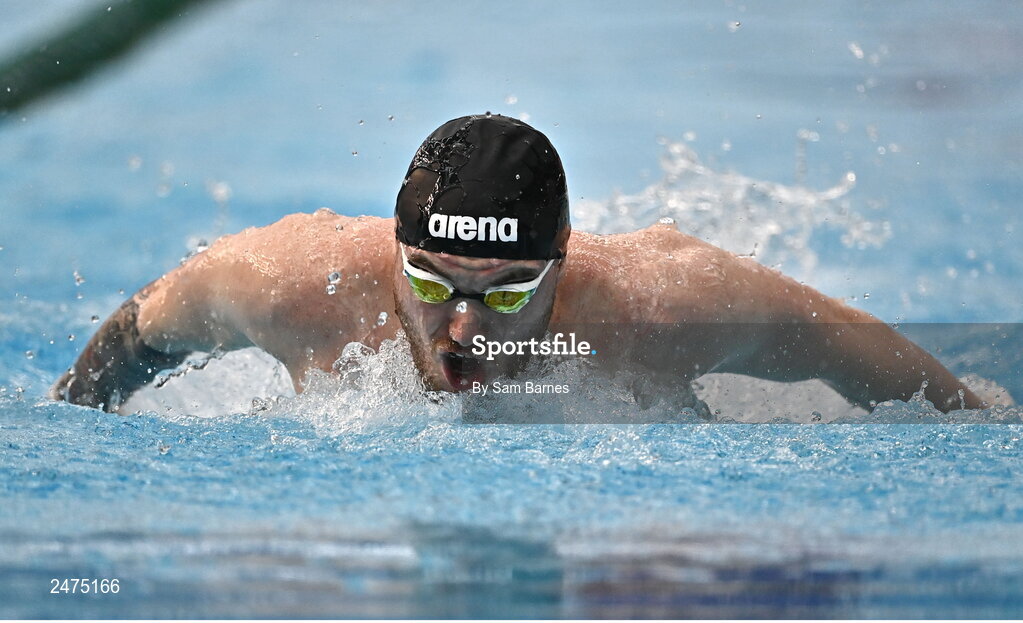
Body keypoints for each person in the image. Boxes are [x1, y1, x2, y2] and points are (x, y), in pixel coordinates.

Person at [49, 114, 983, 413]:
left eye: (506, 292)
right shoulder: (288, 285)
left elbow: (860, 354)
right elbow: (134, 335)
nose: (462, 326)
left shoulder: (661, 305)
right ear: (393, 249)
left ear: (562, 262)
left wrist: (983, 419)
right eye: (430, 281)